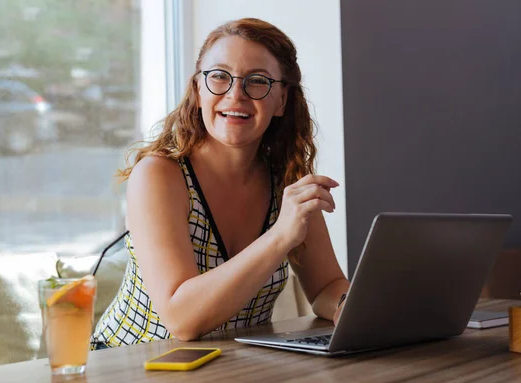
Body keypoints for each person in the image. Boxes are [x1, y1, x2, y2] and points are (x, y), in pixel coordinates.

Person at [90, 17, 349, 349]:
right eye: (219, 77)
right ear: (198, 90)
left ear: (282, 100)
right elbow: (181, 319)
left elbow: (327, 286)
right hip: (129, 372)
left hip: (229, 373)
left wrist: (351, 306)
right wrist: (281, 235)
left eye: (257, 81)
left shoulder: (287, 184)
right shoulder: (158, 175)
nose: (235, 95)